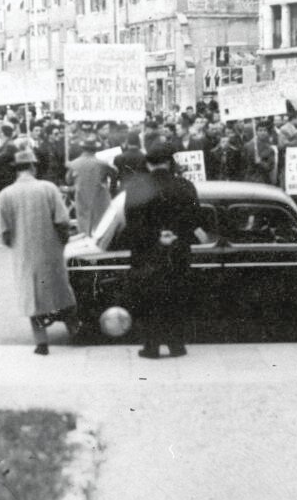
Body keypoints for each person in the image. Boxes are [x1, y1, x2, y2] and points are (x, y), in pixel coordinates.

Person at [0, 149, 81, 355]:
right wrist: (62, 241)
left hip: (24, 254)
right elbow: (62, 221)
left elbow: (5, 233)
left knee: (32, 296)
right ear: (34, 167)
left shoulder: (5, 194)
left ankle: (41, 343)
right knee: (61, 290)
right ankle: (75, 332)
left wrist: (17, 244)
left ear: (16, 170)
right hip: (51, 251)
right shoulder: (48, 188)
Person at [124, 141, 201, 359]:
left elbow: (132, 223)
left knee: (149, 298)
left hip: (148, 252)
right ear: (170, 162)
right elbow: (195, 218)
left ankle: (151, 347)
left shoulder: (137, 187)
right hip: (178, 251)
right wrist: (175, 234)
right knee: (176, 296)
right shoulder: (185, 186)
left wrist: (157, 237)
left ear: (148, 164)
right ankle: (177, 345)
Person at [65, 133, 117, 235]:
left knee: (83, 221)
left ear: (83, 149)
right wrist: (111, 190)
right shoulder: (103, 164)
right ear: (95, 149)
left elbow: (68, 180)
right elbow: (115, 173)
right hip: (99, 196)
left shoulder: (74, 163)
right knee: (100, 224)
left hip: (82, 196)